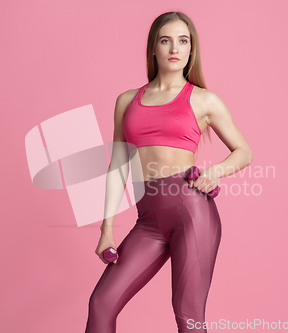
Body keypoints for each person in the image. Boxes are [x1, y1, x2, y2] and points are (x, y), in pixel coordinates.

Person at [85, 11, 253, 333]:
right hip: (148, 221)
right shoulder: (126, 101)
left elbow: (244, 151)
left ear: (191, 50)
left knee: (187, 315)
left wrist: (215, 172)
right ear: (153, 48)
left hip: (192, 213)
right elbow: (118, 168)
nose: (174, 48)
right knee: (101, 303)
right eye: (166, 40)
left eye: (183, 41)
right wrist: (106, 229)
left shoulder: (204, 100)